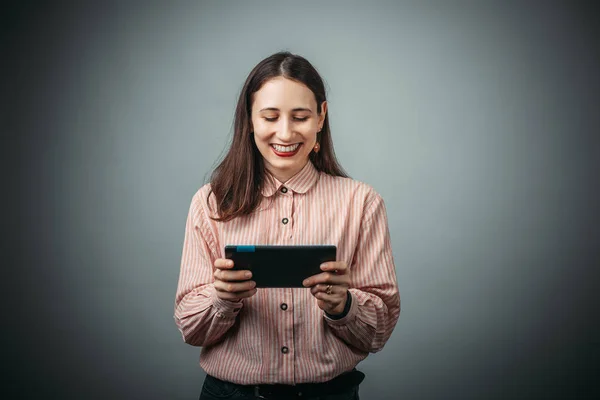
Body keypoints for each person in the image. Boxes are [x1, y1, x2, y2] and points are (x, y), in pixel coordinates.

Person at [174, 51, 401, 400]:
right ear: (249, 119)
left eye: (300, 117)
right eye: (270, 116)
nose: (285, 132)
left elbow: (380, 330)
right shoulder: (210, 203)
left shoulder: (362, 203)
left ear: (321, 117)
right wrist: (221, 298)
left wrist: (344, 305)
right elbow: (190, 328)